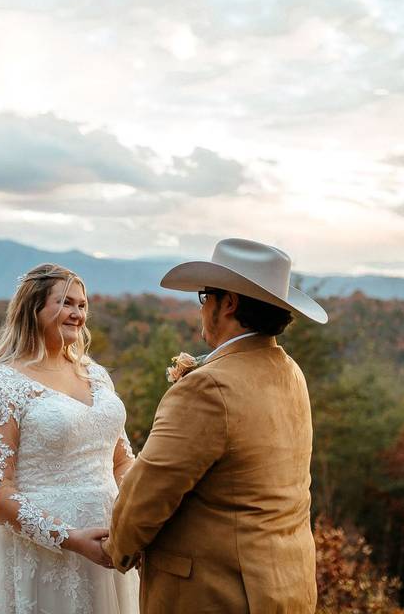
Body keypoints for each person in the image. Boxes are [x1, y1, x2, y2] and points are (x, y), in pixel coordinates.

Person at [103, 238, 329, 614]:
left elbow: (152, 488)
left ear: (229, 303)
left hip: (217, 591)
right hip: (287, 583)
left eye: (205, 296)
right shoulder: (290, 371)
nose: (202, 306)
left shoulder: (209, 386)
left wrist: (116, 548)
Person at [0, 263, 140, 613]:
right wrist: (69, 538)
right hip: (40, 556)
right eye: (66, 303)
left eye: (82, 305)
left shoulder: (96, 375)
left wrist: (141, 513)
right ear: (33, 309)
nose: (77, 314)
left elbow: (120, 460)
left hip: (110, 545)